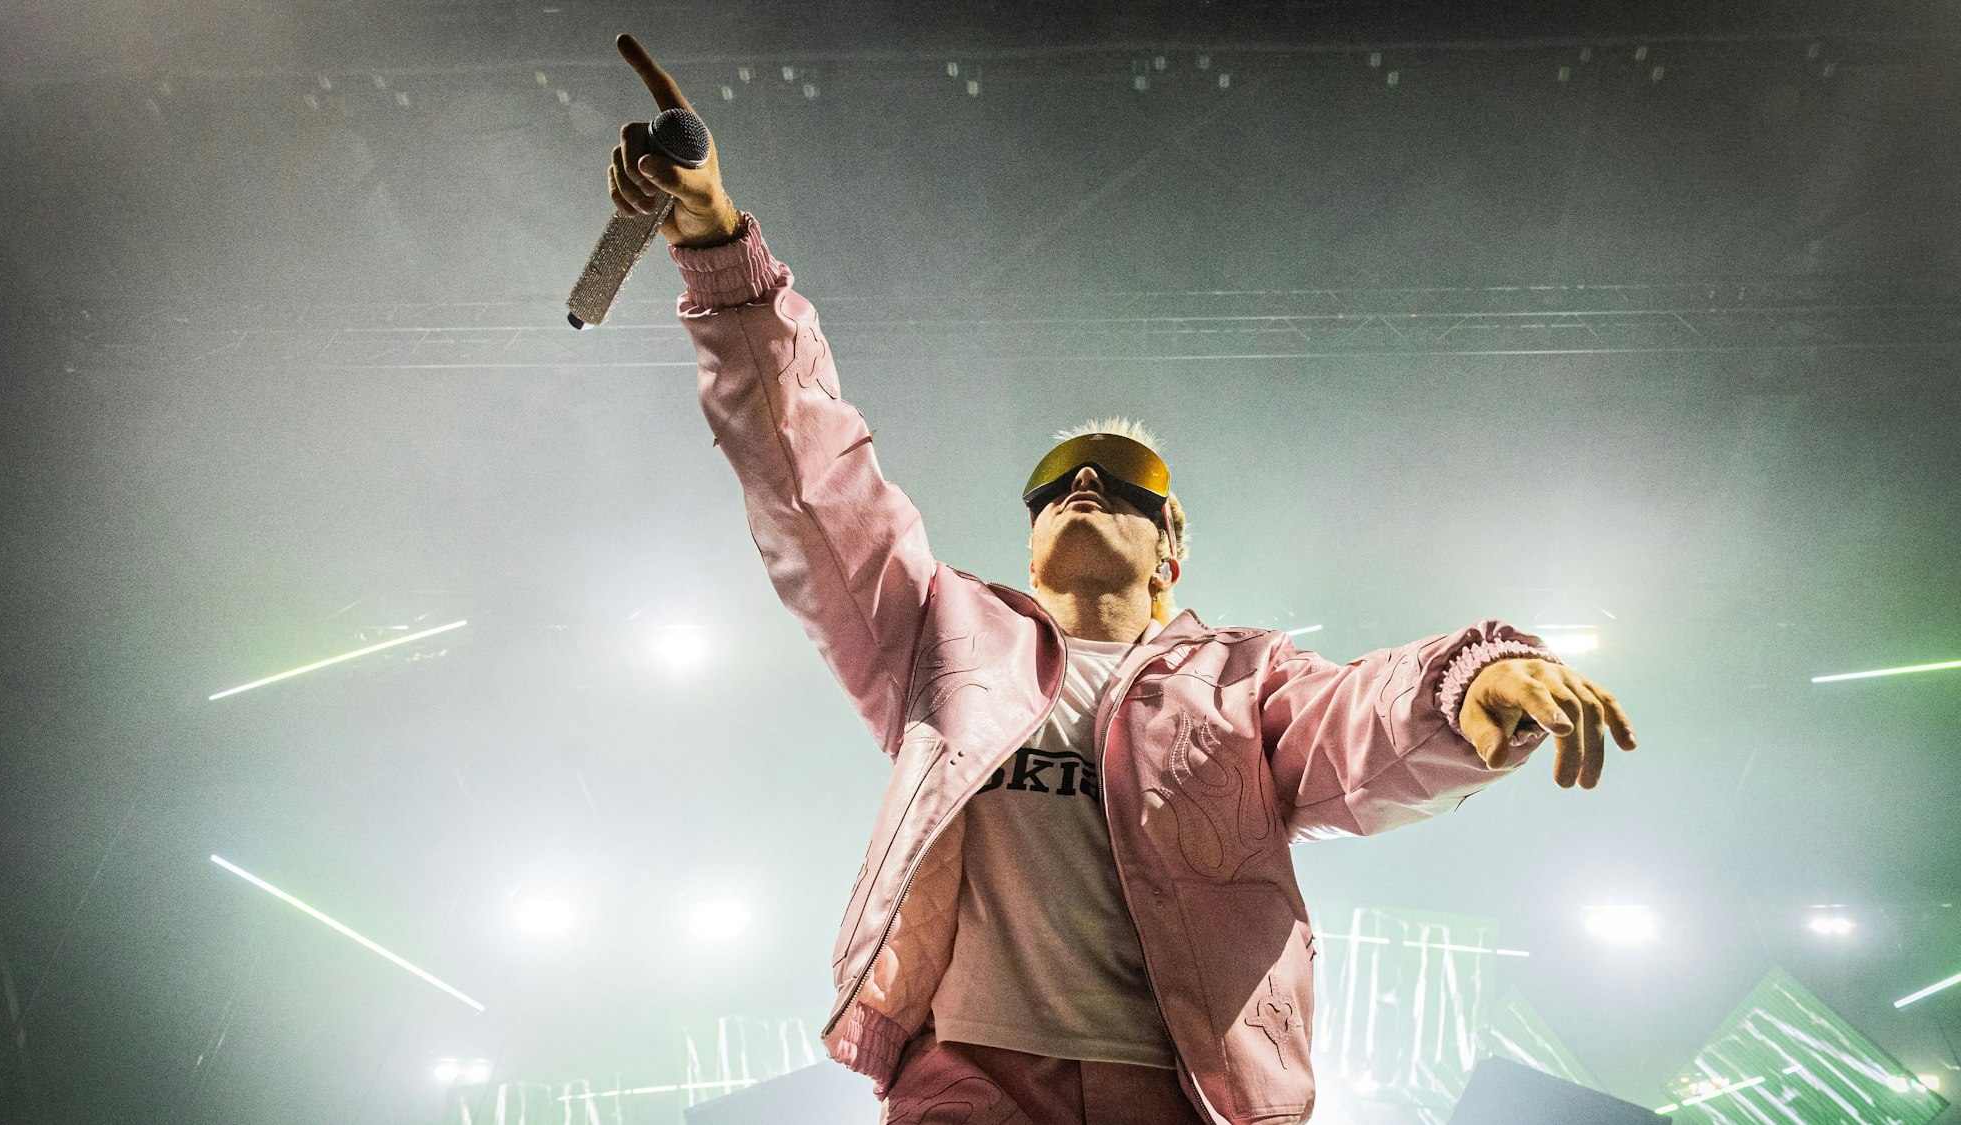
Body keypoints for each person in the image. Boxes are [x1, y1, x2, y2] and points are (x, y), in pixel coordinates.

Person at [605, 34, 1638, 1125]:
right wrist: (718, 248)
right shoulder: (935, 636)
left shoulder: (1245, 681)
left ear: (1171, 548)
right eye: (1055, 480)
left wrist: (1465, 680)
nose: (1084, 479)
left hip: (1182, 1092)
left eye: (1125, 480)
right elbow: (809, 476)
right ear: (1032, 534)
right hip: (969, 1086)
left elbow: (1360, 725)